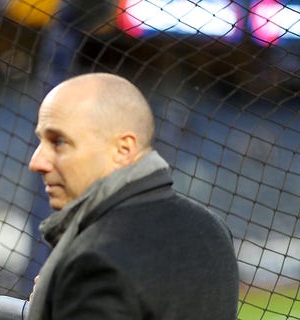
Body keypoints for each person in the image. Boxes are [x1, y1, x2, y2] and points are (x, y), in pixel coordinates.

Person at [26, 73, 239, 319]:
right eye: (41, 141)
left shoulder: (93, 259)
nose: (37, 162)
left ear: (124, 149)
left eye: (59, 142)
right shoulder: (212, 227)